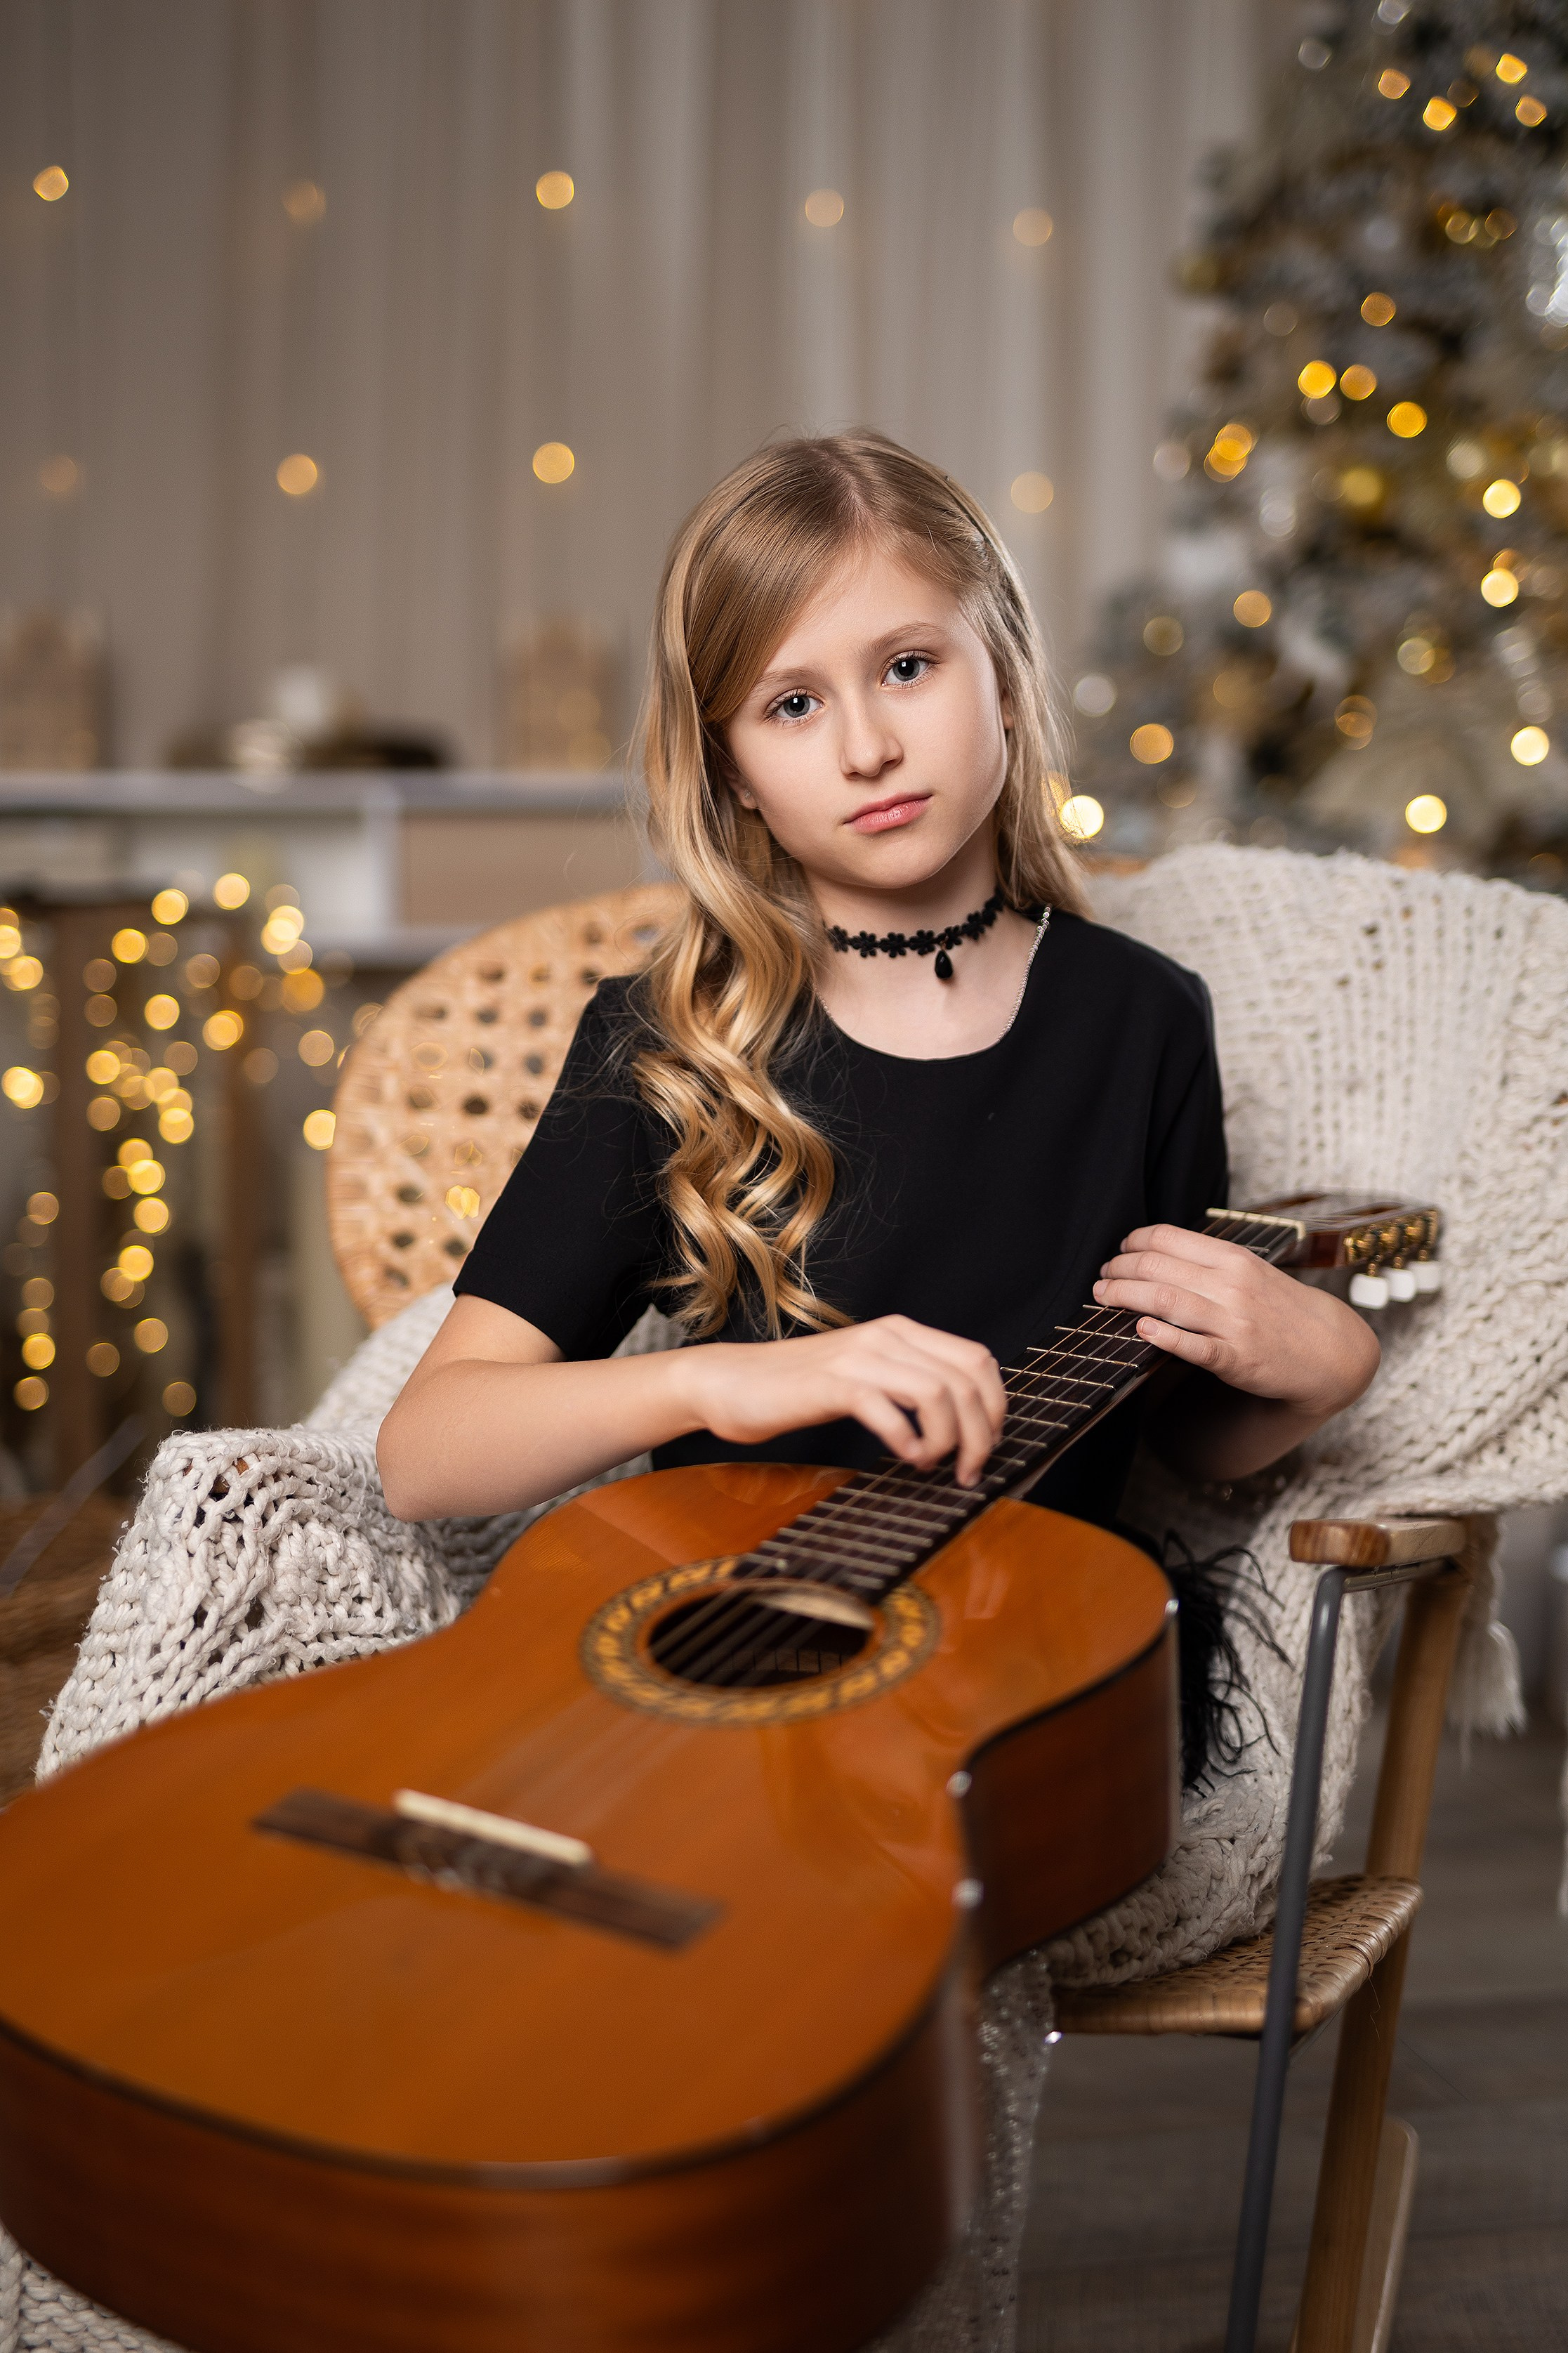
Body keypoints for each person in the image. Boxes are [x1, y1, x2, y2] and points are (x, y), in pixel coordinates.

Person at [376, 431, 1376, 1535]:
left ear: (1000, 674)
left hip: (1040, 1656)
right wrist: (717, 1384)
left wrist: (1323, 1367)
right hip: (742, 1662)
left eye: (907, 667)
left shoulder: (1142, 1018)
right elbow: (425, 1457)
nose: (866, 748)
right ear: (734, 776)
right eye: (790, 705)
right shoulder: (670, 1043)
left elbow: (1167, 1436)